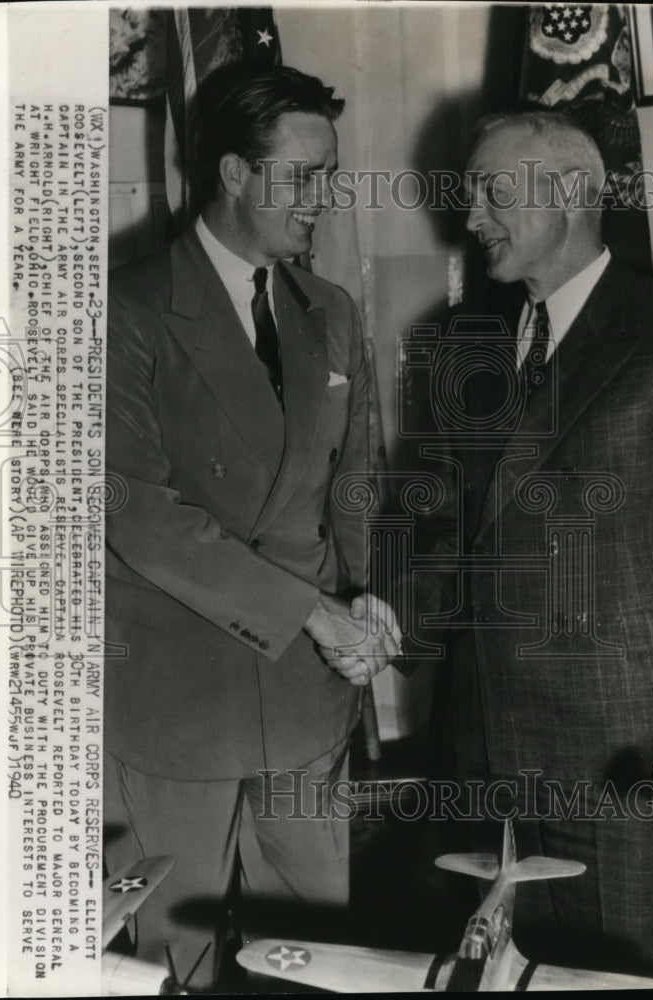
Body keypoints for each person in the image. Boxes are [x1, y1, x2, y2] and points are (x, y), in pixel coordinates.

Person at [104, 64, 399, 990]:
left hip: (308, 704)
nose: (325, 198)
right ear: (233, 173)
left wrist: (367, 594)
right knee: (166, 962)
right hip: (173, 704)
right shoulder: (126, 308)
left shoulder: (332, 312)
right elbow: (138, 515)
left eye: (330, 175)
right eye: (302, 177)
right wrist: (315, 612)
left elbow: (355, 481)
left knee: (318, 960)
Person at [422, 111, 653, 978]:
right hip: (485, 744)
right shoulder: (468, 340)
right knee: (506, 965)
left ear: (574, 192)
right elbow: (453, 532)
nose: (471, 218)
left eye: (493, 191)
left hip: (621, 754)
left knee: (625, 964)